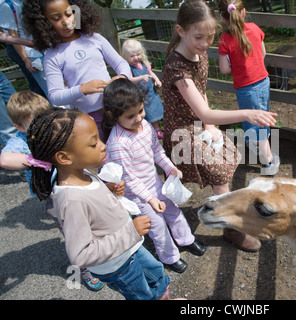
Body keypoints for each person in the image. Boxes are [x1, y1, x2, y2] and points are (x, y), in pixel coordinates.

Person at [26, 107, 178, 300]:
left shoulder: (82, 174)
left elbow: (96, 210)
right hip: (117, 265)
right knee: (141, 294)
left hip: (129, 248)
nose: (103, 145)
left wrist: (111, 192)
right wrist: (131, 231)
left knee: (156, 274)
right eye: (93, 144)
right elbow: (81, 255)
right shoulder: (72, 200)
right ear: (64, 158)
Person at [161, 0, 277, 252]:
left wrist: (209, 125)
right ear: (181, 31)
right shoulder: (177, 67)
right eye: (198, 37)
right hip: (182, 130)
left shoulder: (198, 54)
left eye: (210, 37)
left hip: (199, 123)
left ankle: (217, 215)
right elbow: (203, 110)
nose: (205, 44)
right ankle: (230, 229)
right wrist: (247, 113)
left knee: (227, 158)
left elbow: (201, 93)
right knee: (216, 170)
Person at [0, 91, 105, 291]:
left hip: (77, 185)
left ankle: (101, 254)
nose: (44, 129)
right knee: (76, 234)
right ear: (19, 127)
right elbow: (4, 159)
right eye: (35, 124)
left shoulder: (55, 130)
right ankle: (85, 271)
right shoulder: (22, 142)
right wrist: (31, 161)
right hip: (56, 197)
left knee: (93, 222)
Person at [102, 78, 206, 273]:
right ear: (114, 116)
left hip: (155, 183)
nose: (139, 118)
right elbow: (129, 179)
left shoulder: (145, 126)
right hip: (138, 195)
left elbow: (156, 150)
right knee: (157, 225)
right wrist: (149, 199)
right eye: (130, 116)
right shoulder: (118, 143)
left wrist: (169, 168)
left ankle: (186, 239)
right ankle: (169, 256)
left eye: (141, 111)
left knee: (173, 211)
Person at [22, 0, 131, 140]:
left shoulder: (95, 39)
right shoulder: (52, 55)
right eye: (56, 18)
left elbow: (121, 63)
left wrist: (121, 77)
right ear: (44, 23)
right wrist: (82, 89)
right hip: (89, 120)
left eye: (69, 14)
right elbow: (55, 96)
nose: (66, 22)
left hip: (118, 109)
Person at [218, 0, 280, 175]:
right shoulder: (254, 28)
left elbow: (224, 69)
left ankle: (268, 163)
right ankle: (259, 145)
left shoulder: (225, 39)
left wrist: (236, 65)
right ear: (243, 13)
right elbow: (264, 52)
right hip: (263, 82)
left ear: (223, 19)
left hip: (245, 88)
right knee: (262, 116)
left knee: (255, 122)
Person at [0, 0, 48, 98]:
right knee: (46, 90)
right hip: (34, 55)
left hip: (50, 48)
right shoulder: (8, 6)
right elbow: (12, 35)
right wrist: (25, 58)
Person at [121, 39, 164, 139]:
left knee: (154, 111)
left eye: (138, 54)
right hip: (140, 96)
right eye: (132, 56)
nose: (136, 57)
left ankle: (157, 130)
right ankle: (147, 132)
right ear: (125, 56)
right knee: (145, 114)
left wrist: (157, 80)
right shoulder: (128, 68)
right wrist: (141, 77)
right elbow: (130, 80)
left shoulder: (143, 63)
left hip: (151, 93)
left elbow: (151, 73)